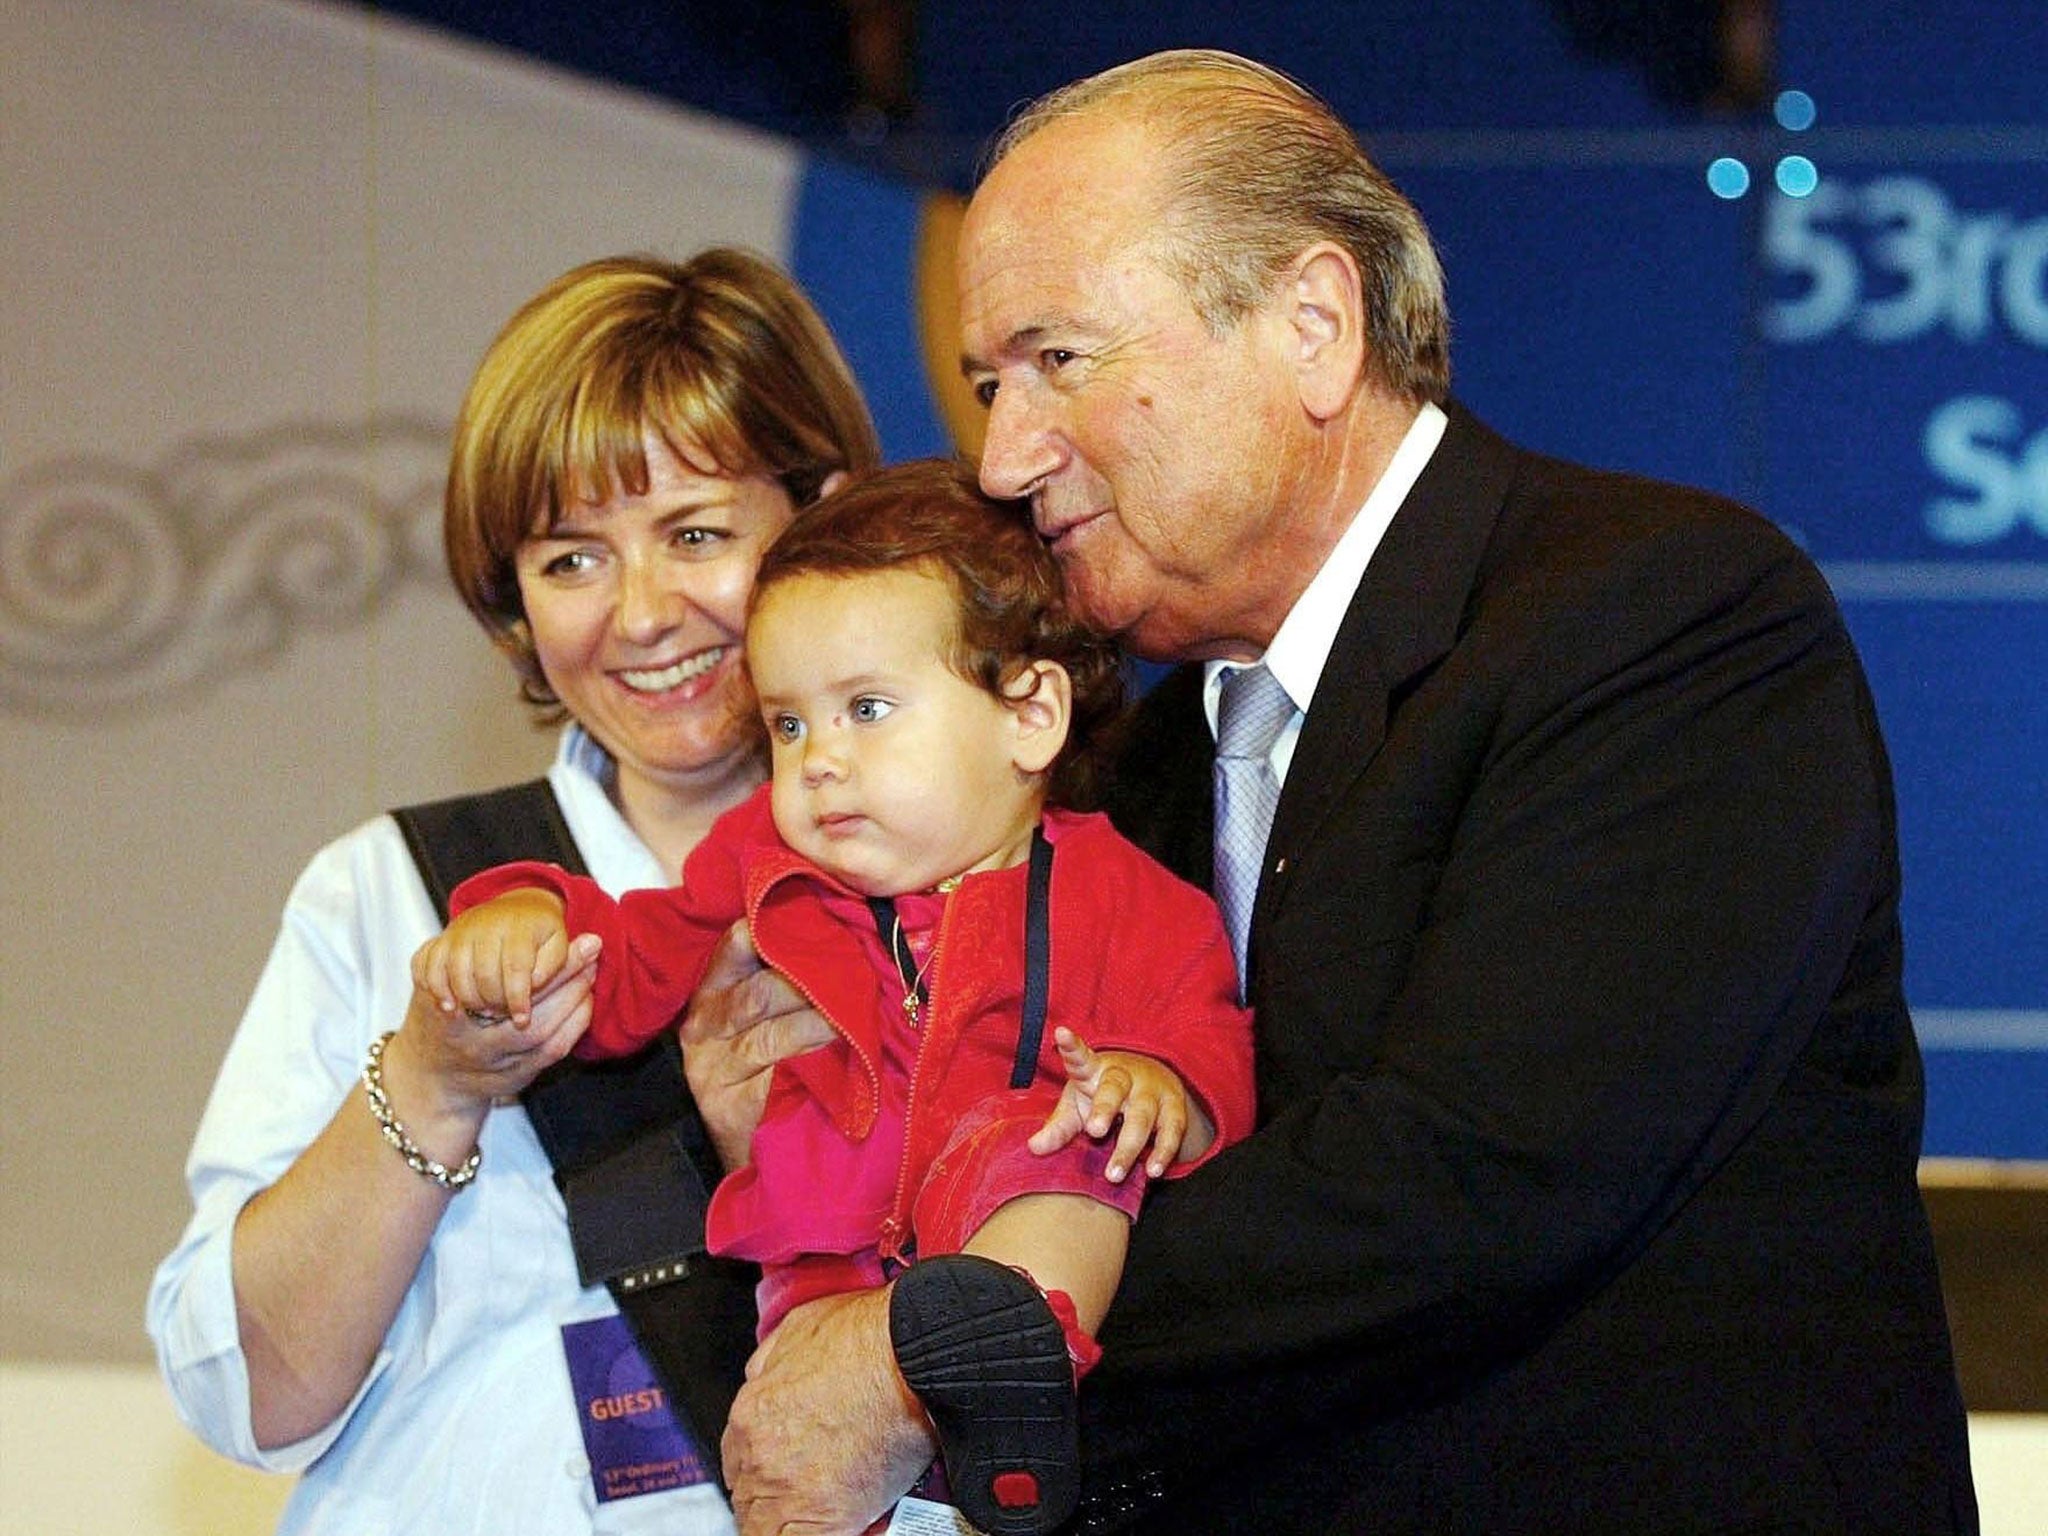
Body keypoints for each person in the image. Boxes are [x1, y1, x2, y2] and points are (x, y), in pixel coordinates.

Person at [701, 49, 1980, 1536]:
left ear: (1311, 326)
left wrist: (949, 1349)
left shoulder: (1666, 619)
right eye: (991, 384)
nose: (1004, 456)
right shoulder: (1143, 768)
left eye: (1059, 359)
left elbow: (1474, 1180)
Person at [145, 247, 879, 1536]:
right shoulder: (387, 894)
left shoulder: (962, 870)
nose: (642, 615)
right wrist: (429, 1082)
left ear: (820, 513)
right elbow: (247, 1399)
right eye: (570, 560)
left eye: (696, 534)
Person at [414, 458, 1257, 1536]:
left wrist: (1163, 1088)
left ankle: (1005, 1375)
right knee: (799, 1469)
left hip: (1023, 1251)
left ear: (1028, 714)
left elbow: (1211, 1037)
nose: (816, 763)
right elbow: (629, 959)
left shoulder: (1122, 893)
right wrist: (528, 914)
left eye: (864, 709)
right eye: (788, 726)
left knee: (1054, 1138)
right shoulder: (761, 863)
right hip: (827, 1274)